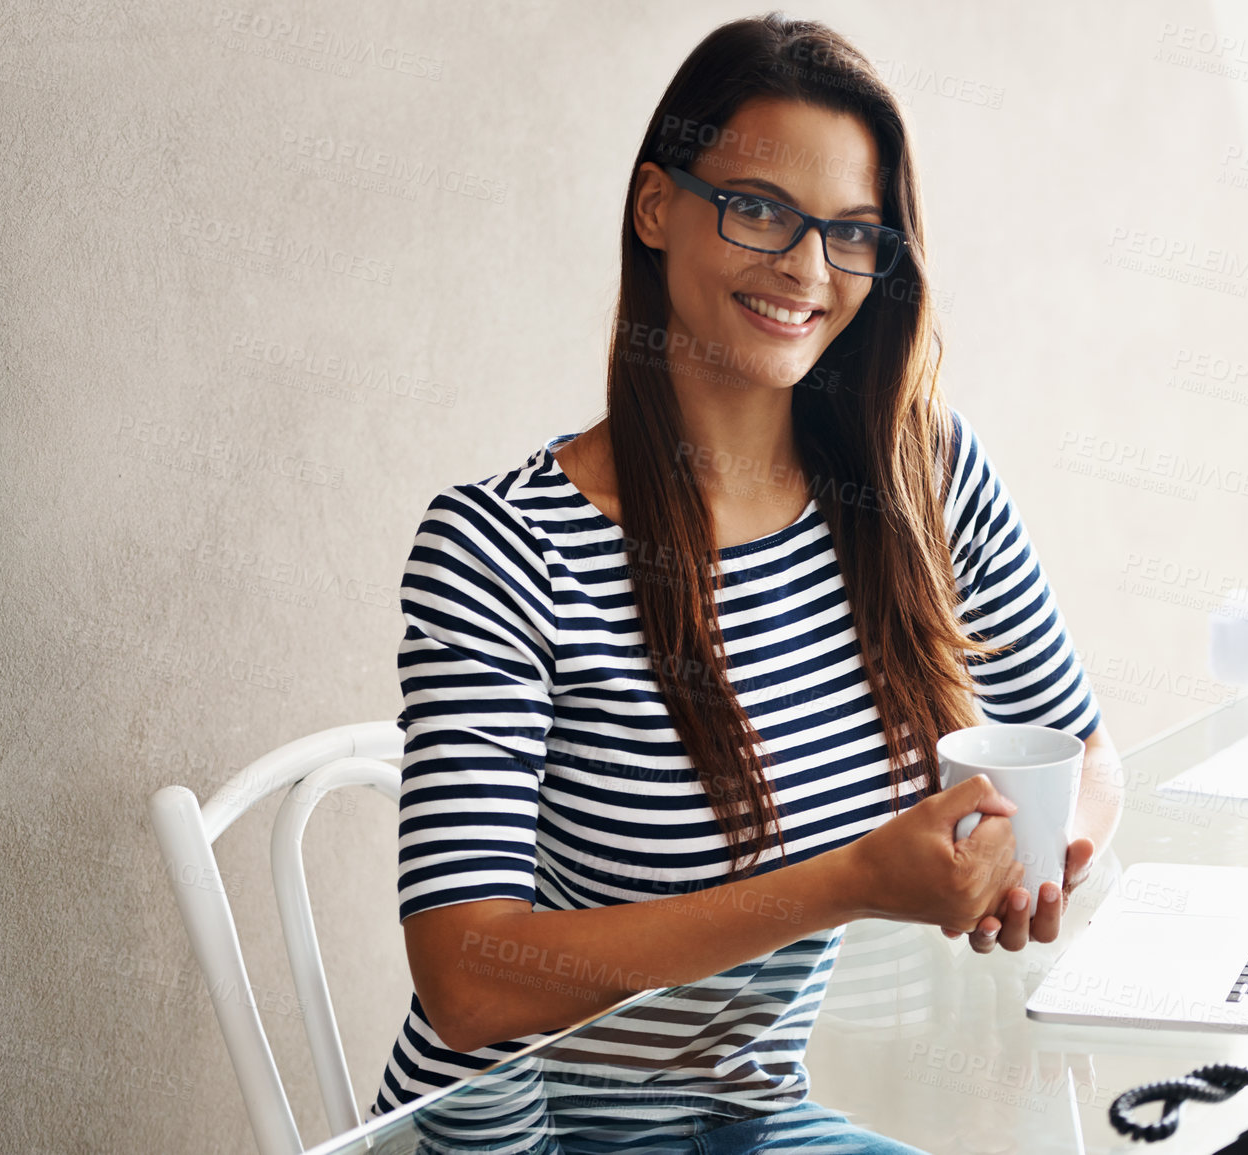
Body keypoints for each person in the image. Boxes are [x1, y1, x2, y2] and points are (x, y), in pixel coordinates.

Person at [369, 12, 1124, 1152]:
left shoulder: (920, 479)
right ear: (657, 206)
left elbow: (1083, 750)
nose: (808, 271)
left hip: (750, 1120)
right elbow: (470, 981)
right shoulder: (503, 547)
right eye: (761, 209)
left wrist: (1036, 870)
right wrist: (849, 881)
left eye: (854, 232)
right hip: (513, 1130)